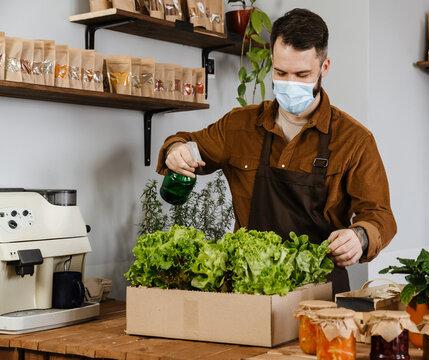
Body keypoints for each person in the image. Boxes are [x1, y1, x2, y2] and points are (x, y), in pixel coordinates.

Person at [157, 8, 397, 296]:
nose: (290, 83)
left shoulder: (354, 140)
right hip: (249, 290)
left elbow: (380, 215)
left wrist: (360, 237)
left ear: (324, 67)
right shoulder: (239, 126)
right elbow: (186, 142)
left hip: (319, 292)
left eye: (302, 74)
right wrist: (176, 150)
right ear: (272, 61)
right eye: (281, 72)